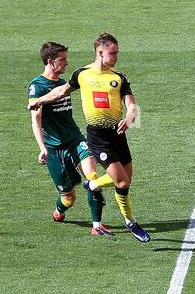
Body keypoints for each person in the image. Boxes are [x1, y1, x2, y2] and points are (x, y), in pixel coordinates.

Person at [31, 33, 148, 242]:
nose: (116, 57)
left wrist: (129, 118)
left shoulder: (118, 78)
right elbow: (60, 92)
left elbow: (132, 106)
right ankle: (130, 222)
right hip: (97, 136)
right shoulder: (82, 74)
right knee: (120, 182)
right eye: (113, 53)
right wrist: (39, 100)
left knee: (126, 180)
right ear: (100, 53)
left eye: (117, 53)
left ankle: (92, 185)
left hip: (118, 134)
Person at [28, 41, 110, 235]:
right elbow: (36, 120)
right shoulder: (37, 86)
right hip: (55, 149)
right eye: (62, 59)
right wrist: (42, 147)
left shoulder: (65, 85)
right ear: (50, 61)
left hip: (76, 140)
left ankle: (96, 225)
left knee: (93, 179)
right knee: (68, 199)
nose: (66, 63)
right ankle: (59, 210)